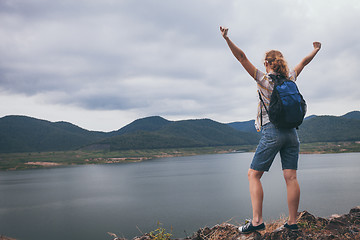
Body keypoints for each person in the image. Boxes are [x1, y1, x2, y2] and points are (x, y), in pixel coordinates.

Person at [220, 26, 321, 234]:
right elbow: (304, 62)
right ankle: (292, 223)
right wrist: (316, 50)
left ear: (267, 64)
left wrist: (226, 38)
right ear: (282, 63)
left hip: (272, 132)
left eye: (264, 62)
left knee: (253, 175)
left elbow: (241, 57)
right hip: (293, 134)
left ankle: (257, 221)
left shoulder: (264, 80)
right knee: (291, 177)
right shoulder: (291, 77)